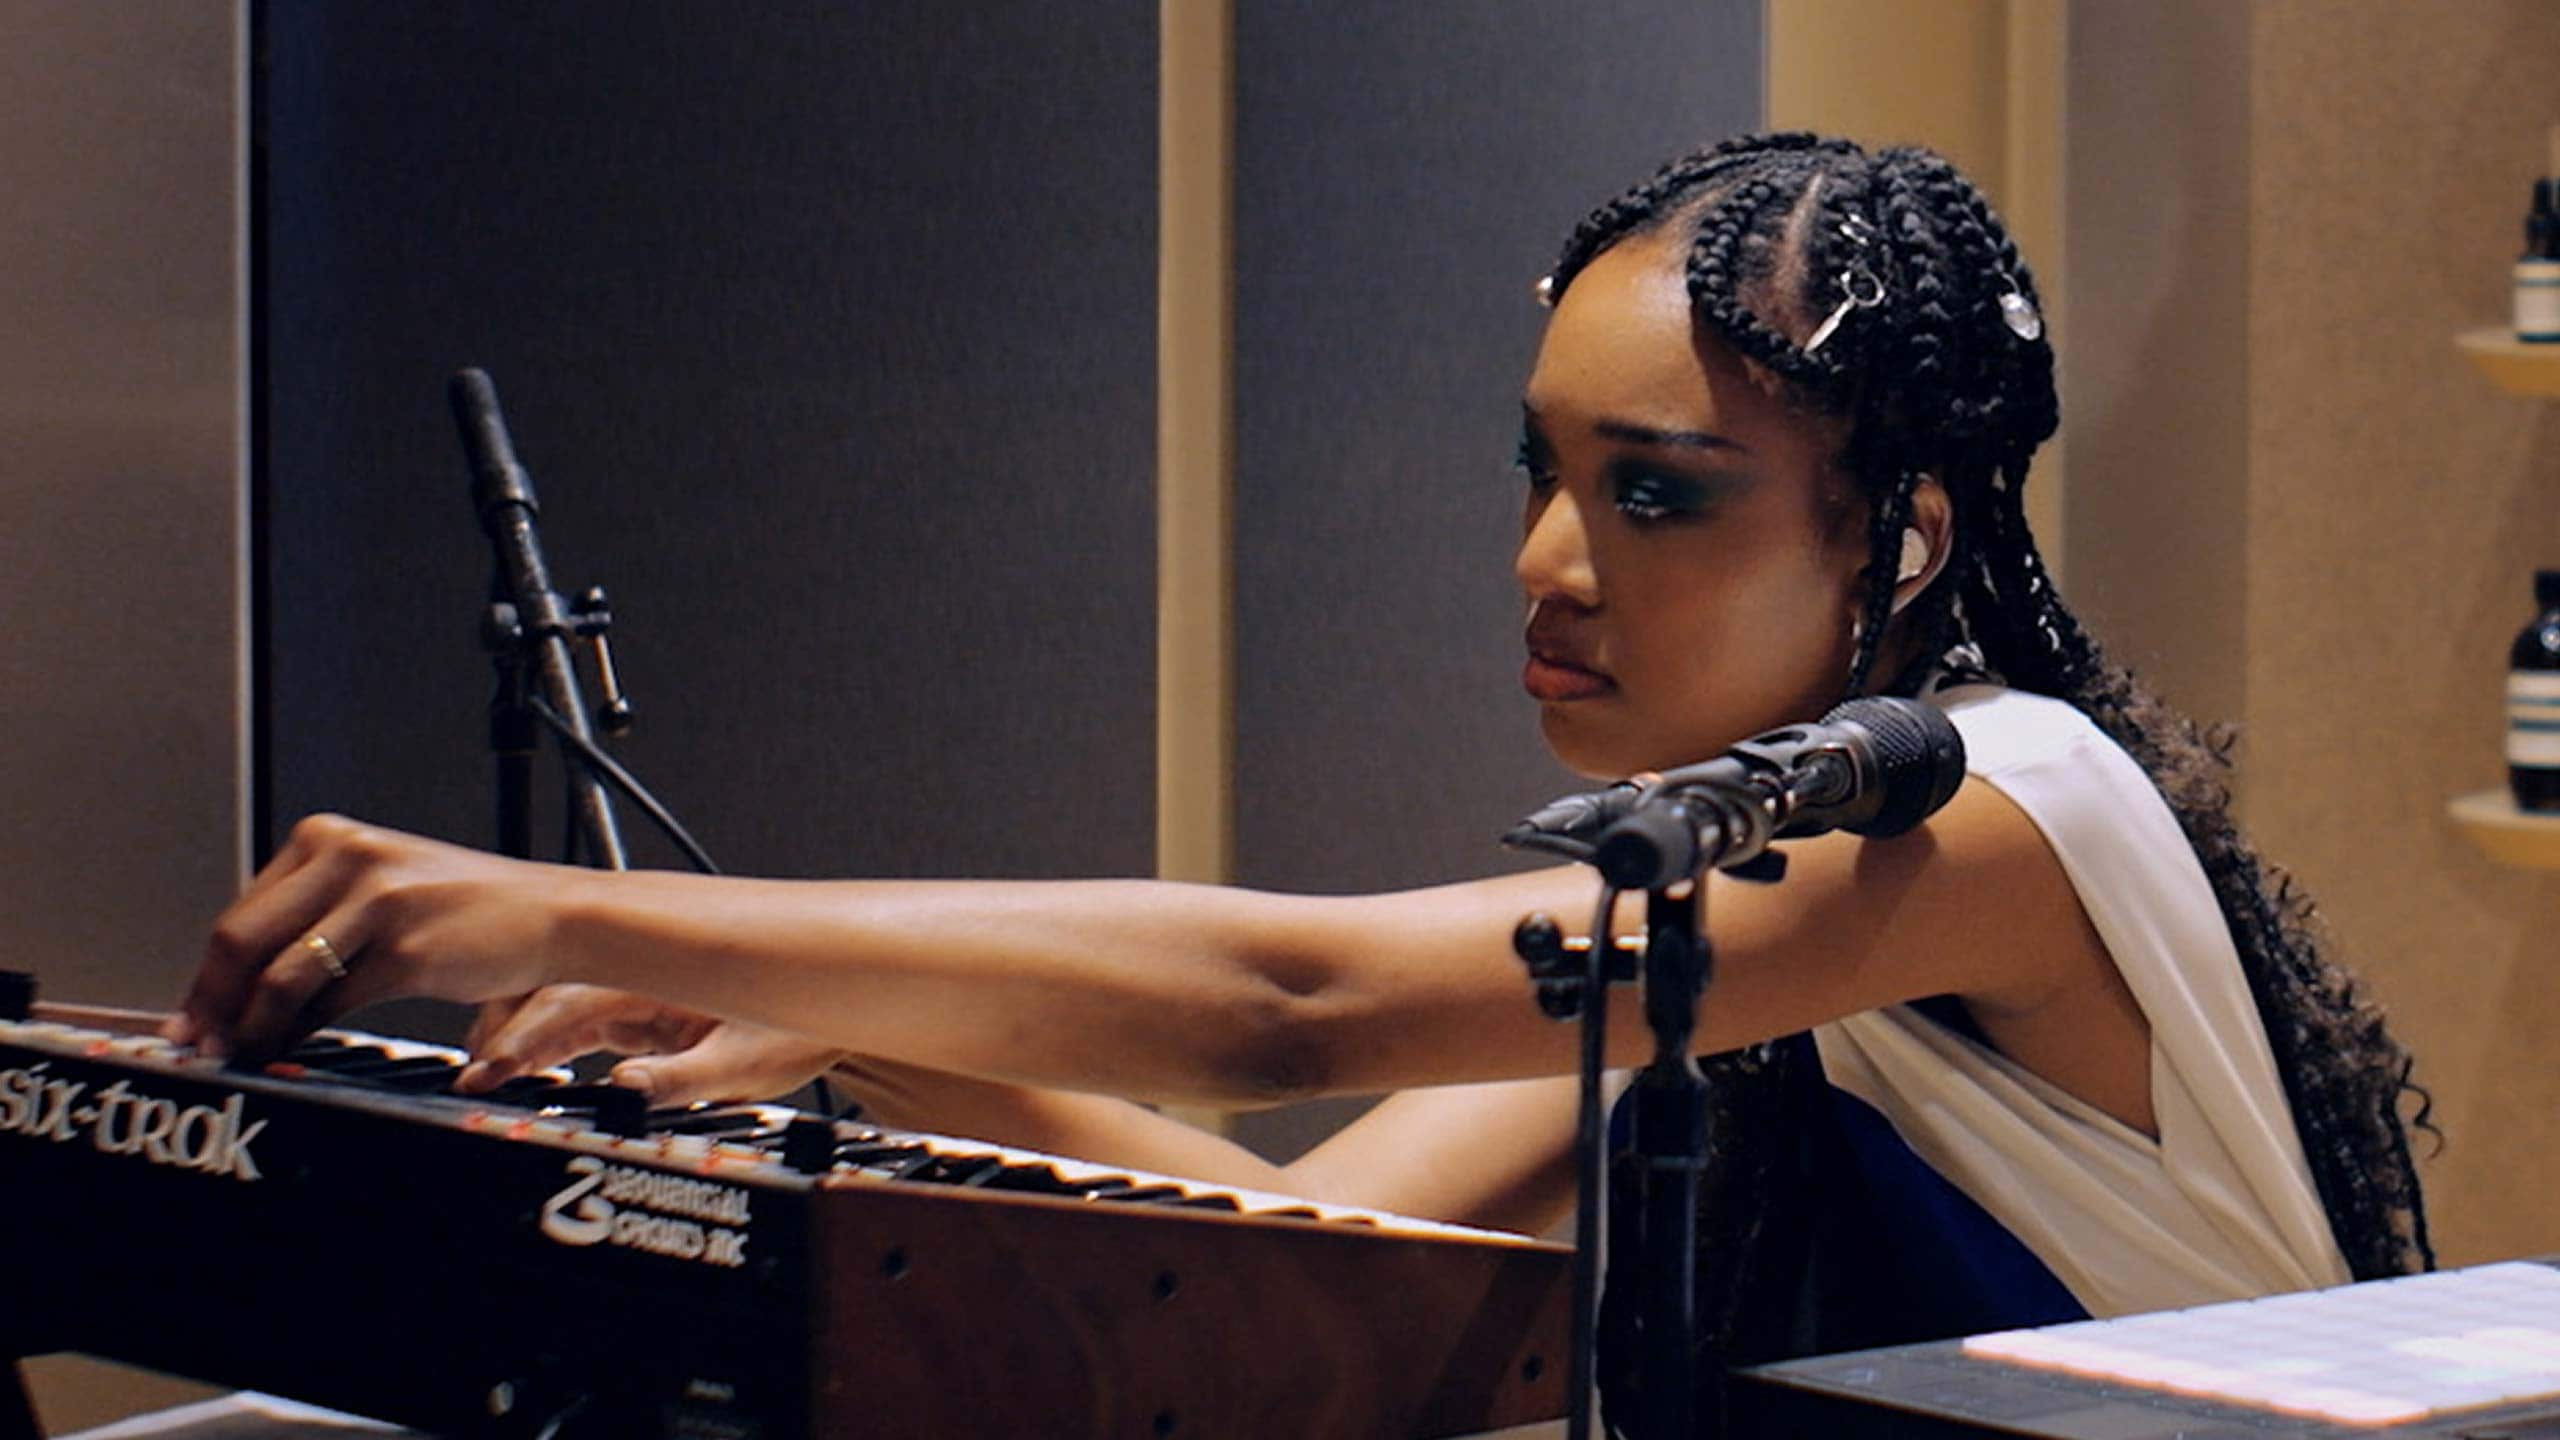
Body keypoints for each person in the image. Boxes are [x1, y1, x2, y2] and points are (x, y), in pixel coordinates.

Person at [168, 132, 2431, 1375]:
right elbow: (1310, 1242)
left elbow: (1294, 1000)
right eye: (1536, 470)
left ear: (1902, 531)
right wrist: (835, 1051)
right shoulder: (1717, 916)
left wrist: (549, 906)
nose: (1550, 559)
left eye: (1653, 491)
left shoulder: (1998, 807)